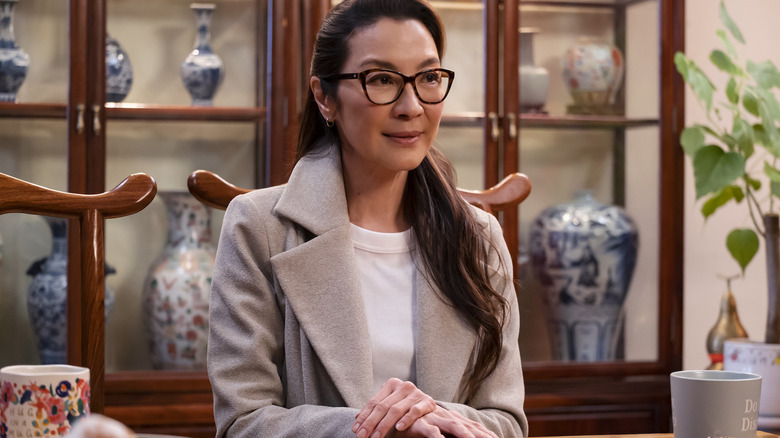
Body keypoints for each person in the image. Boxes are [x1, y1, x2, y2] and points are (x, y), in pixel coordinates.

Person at [207, 0, 528, 437]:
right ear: (325, 98)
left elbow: (506, 420)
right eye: (381, 79)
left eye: (429, 78)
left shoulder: (479, 236)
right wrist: (377, 429)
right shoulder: (257, 227)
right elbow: (243, 423)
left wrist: (428, 416)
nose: (411, 106)